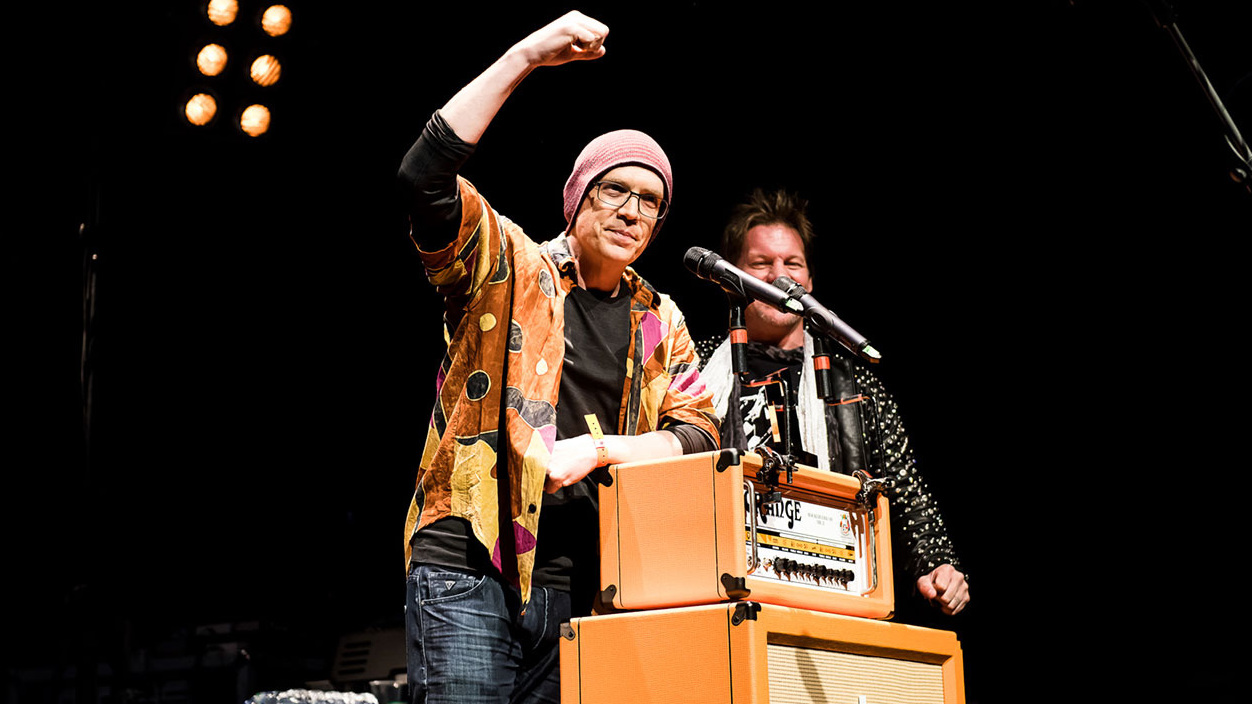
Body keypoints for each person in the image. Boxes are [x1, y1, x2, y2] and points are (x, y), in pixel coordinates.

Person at [396, 11, 719, 704]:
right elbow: (424, 176)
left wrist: (602, 452)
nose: (635, 211)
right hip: (470, 568)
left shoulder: (658, 320)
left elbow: (700, 435)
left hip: (579, 585)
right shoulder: (509, 267)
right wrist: (527, 55)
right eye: (617, 190)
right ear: (577, 199)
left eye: (652, 202)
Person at [695, 188, 970, 620]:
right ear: (733, 278)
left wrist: (935, 562)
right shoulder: (692, 368)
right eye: (761, 264)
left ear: (810, 280)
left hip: (829, 595)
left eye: (792, 264)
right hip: (718, 593)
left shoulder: (855, 382)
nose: (778, 276)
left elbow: (904, 485)